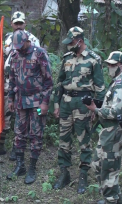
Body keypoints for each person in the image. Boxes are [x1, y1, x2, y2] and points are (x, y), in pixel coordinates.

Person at [53, 26, 105, 194]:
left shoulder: (93, 59)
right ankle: (64, 173)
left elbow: (100, 87)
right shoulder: (67, 58)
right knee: (64, 140)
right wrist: (56, 103)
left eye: (71, 42)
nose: (69, 45)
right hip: (66, 102)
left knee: (84, 141)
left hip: (84, 103)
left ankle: (83, 175)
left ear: (80, 41)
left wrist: (96, 109)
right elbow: (60, 82)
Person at [6, 30, 53, 184]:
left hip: (37, 102)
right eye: (16, 46)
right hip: (20, 101)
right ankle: (20, 165)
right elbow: (12, 79)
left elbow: (48, 81)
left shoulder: (40, 54)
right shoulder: (14, 56)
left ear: (27, 41)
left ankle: (32, 167)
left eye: (21, 46)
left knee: (36, 134)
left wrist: (45, 102)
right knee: (19, 133)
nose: (19, 49)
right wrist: (11, 99)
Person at [0, 11, 40, 159]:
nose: (19, 26)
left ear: (25, 23)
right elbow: (0, 58)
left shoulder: (33, 39)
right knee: (5, 114)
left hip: (25, 85)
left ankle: (17, 147)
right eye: (16, 23)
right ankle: (0, 144)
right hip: (8, 82)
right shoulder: (6, 38)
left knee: (22, 117)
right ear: (12, 23)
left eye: (21, 23)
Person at [86, 51, 122, 204]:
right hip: (108, 131)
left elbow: (117, 111)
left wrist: (96, 110)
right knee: (97, 163)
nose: (110, 67)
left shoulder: (121, 85)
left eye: (113, 64)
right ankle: (116, 199)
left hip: (114, 132)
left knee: (109, 169)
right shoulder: (116, 83)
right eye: (108, 64)